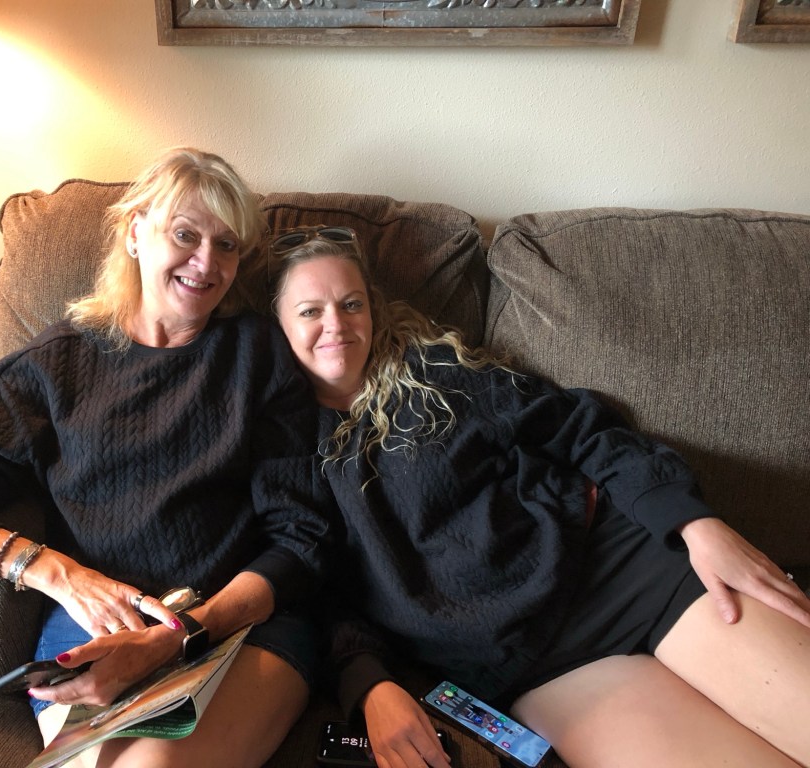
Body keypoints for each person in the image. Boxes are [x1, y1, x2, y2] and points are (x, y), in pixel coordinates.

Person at [267, 227, 810, 768]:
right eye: (311, 311)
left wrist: (696, 525)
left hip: (620, 569)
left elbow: (583, 429)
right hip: (538, 669)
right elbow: (316, 585)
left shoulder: (439, 374)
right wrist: (367, 683)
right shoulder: (287, 452)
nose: (336, 324)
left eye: (351, 304)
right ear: (278, 326)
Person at [0, 148, 330, 768]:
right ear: (135, 232)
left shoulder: (259, 357)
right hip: (96, 627)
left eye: (226, 245)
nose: (207, 263)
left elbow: (301, 537)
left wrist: (177, 636)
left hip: (238, 622)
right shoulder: (55, 367)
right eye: (186, 235)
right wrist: (54, 572)